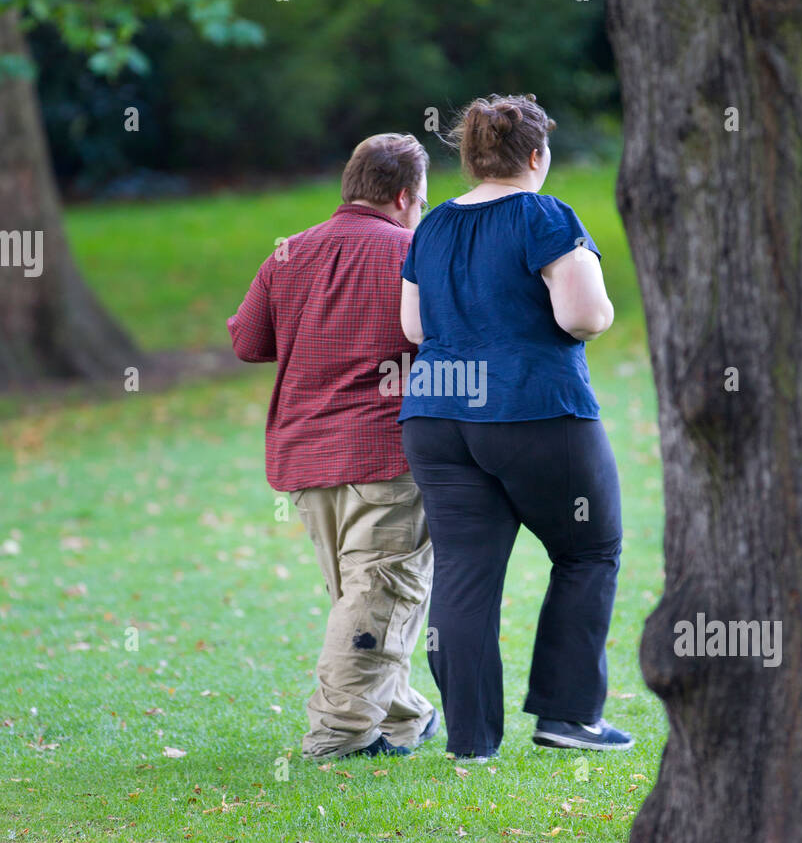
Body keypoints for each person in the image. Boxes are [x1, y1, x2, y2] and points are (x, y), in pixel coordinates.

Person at [399, 94, 632, 761]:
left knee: (465, 573)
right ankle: (568, 717)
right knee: (588, 552)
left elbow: (414, 329)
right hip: (532, 409)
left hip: (437, 417)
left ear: (470, 157)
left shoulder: (434, 225)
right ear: (536, 155)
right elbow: (583, 317)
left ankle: (471, 741)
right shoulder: (545, 215)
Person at [228, 133, 438, 759]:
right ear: (404, 196)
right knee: (381, 593)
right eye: (422, 201)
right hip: (386, 451)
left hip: (306, 454)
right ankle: (338, 736)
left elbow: (246, 341)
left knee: (364, 597)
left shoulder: (288, 253)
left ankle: (404, 718)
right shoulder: (413, 251)